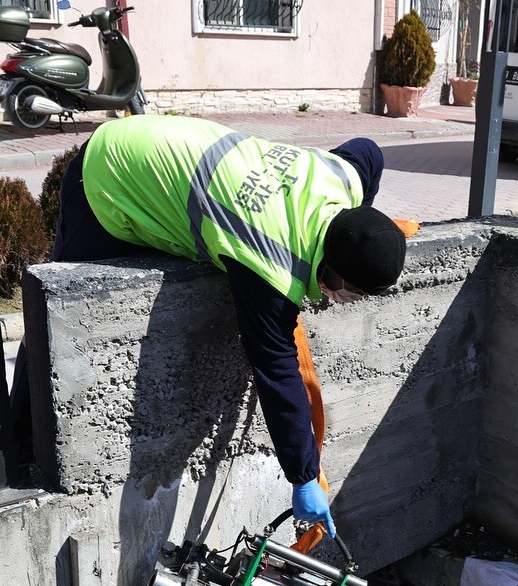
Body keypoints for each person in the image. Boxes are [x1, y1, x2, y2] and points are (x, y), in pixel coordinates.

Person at [24, 115, 408, 539]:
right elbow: (276, 369)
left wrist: (365, 235)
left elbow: (369, 151)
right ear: (330, 264)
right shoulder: (271, 262)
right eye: (344, 291)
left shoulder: (342, 180)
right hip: (110, 171)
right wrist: (304, 476)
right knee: (52, 314)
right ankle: (20, 444)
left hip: (167, 141)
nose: (339, 301)